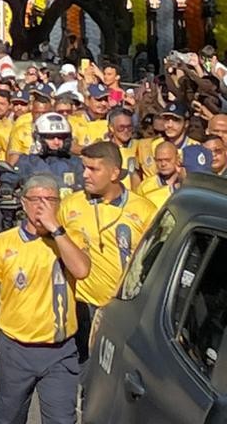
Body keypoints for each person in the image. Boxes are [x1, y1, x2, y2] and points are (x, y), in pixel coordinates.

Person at [0, 175, 91, 424]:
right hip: (16, 350)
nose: (42, 205)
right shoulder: (3, 243)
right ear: (23, 203)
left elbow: (81, 270)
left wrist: (56, 230)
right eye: (36, 199)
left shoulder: (71, 238)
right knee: (8, 417)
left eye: (50, 199)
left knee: (62, 419)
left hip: (59, 351)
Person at [59, 141, 156, 370]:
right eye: (84, 167)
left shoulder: (144, 210)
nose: (85, 175)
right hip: (81, 306)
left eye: (93, 169)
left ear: (114, 173)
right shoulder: (70, 205)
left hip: (123, 312)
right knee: (82, 374)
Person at [17, 113, 85, 198]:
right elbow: (12, 177)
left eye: (61, 137)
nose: (56, 142)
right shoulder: (27, 162)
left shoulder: (76, 163)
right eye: (50, 137)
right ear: (38, 138)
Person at [136, 140, 183, 210]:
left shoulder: (186, 182)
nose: (163, 164)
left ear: (177, 158)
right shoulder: (144, 187)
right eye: (159, 160)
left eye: (167, 160)